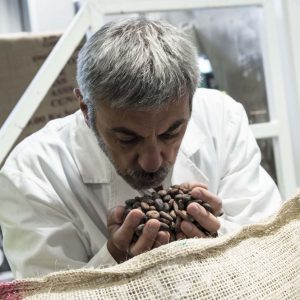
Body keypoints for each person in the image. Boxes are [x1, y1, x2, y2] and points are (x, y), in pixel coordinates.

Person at [0, 18, 282, 279]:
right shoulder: (33, 174)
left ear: (191, 102)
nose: (152, 162)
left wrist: (220, 235)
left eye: (171, 132)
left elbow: (272, 242)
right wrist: (114, 264)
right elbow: (46, 293)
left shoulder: (222, 118)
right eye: (127, 138)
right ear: (86, 110)